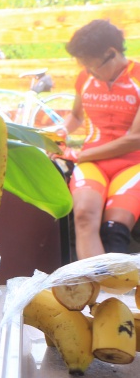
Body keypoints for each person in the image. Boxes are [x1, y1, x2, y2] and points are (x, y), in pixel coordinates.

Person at [61, 19, 140, 259]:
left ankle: (118, 293)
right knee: (84, 217)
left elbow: (136, 139)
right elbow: (75, 116)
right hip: (94, 163)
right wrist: (57, 135)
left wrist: (82, 155)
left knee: (114, 228)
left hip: (132, 163)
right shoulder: (84, 77)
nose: (89, 71)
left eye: (92, 66)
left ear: (111, 53)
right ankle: (93, 293)